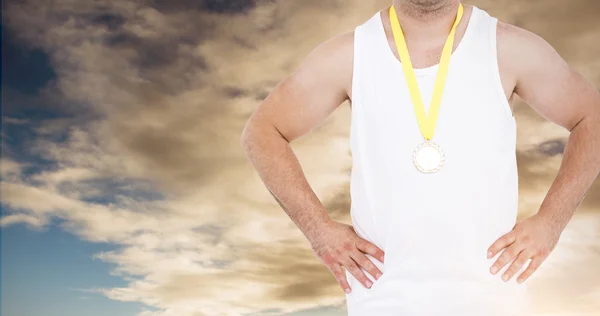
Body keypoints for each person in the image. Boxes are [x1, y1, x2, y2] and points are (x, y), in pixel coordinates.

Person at [241, 0, 600, 315]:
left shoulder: (509, 48)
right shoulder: (349, 55)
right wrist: (319, 231)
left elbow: (591, 119)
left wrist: (551, 223)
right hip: (382, 301)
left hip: (493, 300)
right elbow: (262, 132)